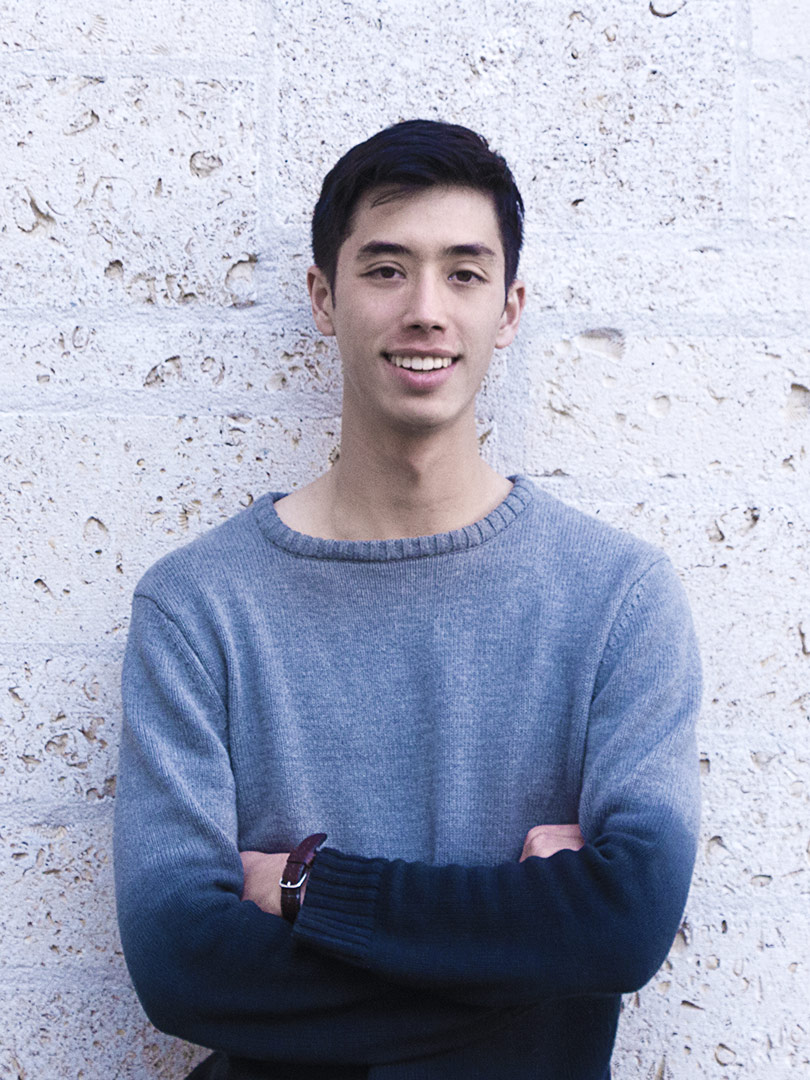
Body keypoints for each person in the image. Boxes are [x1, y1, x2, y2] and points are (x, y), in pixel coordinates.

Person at [113, 119, 701, 1079]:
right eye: (386, 269)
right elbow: (183, 965)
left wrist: (308, 887)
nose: (426, 310)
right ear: (323, 297)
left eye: (464, 274)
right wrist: (537, 969)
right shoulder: (199, 608)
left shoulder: (616, 599)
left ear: (508, 309)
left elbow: (626, 925)